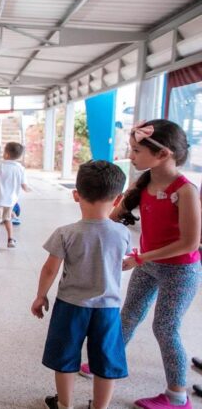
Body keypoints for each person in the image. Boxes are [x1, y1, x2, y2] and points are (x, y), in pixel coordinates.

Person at [80, 120, 201, 409]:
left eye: (136, 150)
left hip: (180, 270)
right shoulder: (143, 183)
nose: (130, 156)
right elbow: (112, 217)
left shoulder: (185, 190)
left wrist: (141, 258)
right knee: (128, 316)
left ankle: (177, 396)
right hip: (148, 264)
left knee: (165, 328)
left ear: (163, 154)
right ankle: (106, 363)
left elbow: (190, 243)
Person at [32, 161, 130, 409]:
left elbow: (50, 269)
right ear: (118, 199)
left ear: (76, 195)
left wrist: (41, 296)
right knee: (106, 362)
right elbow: (120, 262)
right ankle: (100, 407)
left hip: (71, 306)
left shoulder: (66, 233)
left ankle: (65, 405)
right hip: (108, 308)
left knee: (65, 358)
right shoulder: (122, 233)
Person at [0, 142, 30, 254]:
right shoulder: (20, 168)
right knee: (8, 219)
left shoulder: (1, 165)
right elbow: (24, 186)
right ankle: (10, 239)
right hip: (11, 201)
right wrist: (29, 189)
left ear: (7, 155)